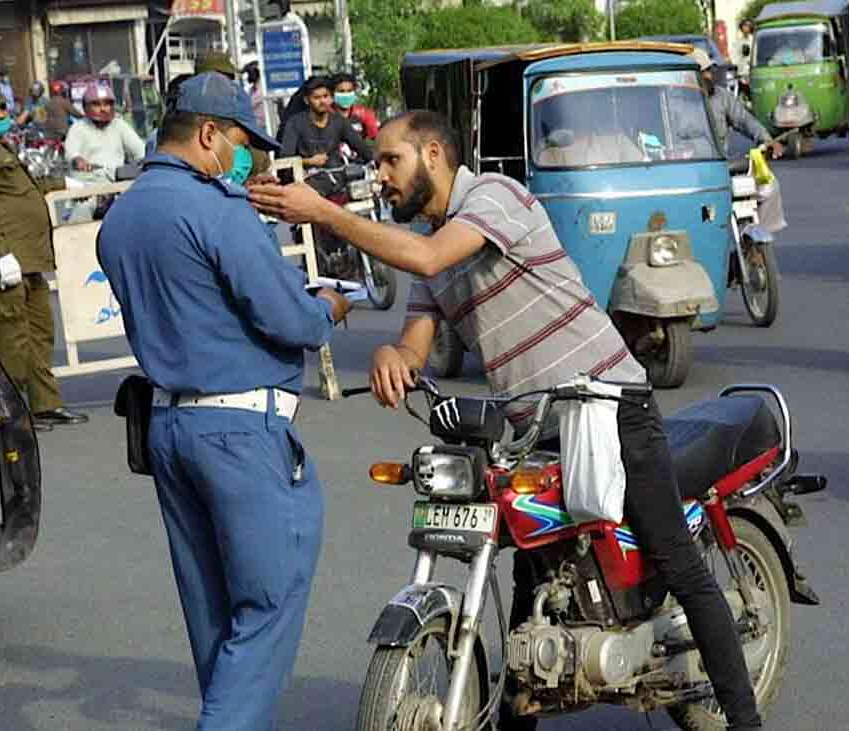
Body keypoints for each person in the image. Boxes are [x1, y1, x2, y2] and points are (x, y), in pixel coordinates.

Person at [247, 109, 769, 731]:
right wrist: (393, 356)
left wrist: (326, 214)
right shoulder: (436, 247)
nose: (379, 174)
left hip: (607, 404)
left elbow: (427, 258)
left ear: (433, 155)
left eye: (391, 160)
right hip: (531, 427)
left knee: (677, 560)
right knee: (531, 572)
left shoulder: (494, 197)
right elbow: (416, 339)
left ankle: (744, 722)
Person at [96, 72, 351, 729]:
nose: (248, 157)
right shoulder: (217, 208)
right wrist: (327, 307)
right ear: (208, 134)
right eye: (242, 142)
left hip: (169, 425)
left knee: (212, 610)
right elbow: (288, 318)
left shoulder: (121, 217)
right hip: (240, 430)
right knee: (267, 600)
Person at [0, 85, 87, 430]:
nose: (0, 115)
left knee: (39, 334)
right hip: (6, 260)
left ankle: (45, 404)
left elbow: (22, 190)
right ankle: (9, 412)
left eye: (2, 108)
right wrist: (1, 255)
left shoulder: (0, 148)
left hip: (30, 259)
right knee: (10, 341)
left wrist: (64, 184)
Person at [691, 49, 782, 158]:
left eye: (709, 70)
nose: (709, 76)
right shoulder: (676, 101)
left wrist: (766, 139)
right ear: (690, 75)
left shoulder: (721, 96)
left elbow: (744, 120)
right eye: (703, 72)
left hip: (718, 163)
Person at [278, 75, 372, 175]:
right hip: (306, 179)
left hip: (337, 178)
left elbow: (364, 150)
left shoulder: (339, 122)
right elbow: (285, 160)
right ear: (306, 100)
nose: (322, 101)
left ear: (331, 98)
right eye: (316, 98)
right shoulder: (295, 123)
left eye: (325, 96)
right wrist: (308, 161)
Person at [64, 82, 145, 176]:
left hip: (117, 178)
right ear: (86, 107)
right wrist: (78, 160)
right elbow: (71, 153)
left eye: (107, 104)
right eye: (97, 105)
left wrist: (145, 161)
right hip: (88, 179)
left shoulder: (119, 125)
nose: (103, 109)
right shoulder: (78, 128)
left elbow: (140, 150)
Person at [332, 72, 379, 140]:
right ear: (332, 92)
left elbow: (376, 139)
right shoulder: (325, 114)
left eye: (349, 91)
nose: (346, 95)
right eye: (341, 91)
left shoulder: (365, 114)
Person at [735, 18, 756, 93]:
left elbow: (756, 54)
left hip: (753, 71)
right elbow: (735, 56)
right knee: (742, 93)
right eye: (744, 25)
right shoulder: (738, 41)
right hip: (742, 72)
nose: (746, 27)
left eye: (748, 26)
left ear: (751, 27)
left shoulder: (754, 40)